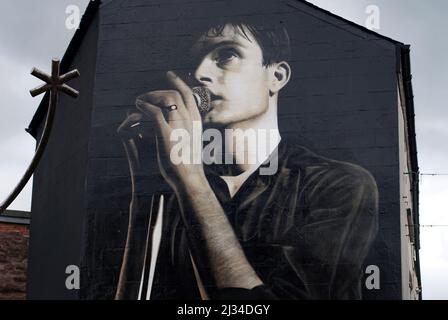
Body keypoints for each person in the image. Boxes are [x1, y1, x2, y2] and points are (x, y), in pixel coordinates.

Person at [115, 18, 379, 300]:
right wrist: (144, 193)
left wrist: (191, 180)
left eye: (227, 54)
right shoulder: (181, 183)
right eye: (193, 62)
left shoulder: (337, 185)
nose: (200, 72)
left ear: (276, 76)